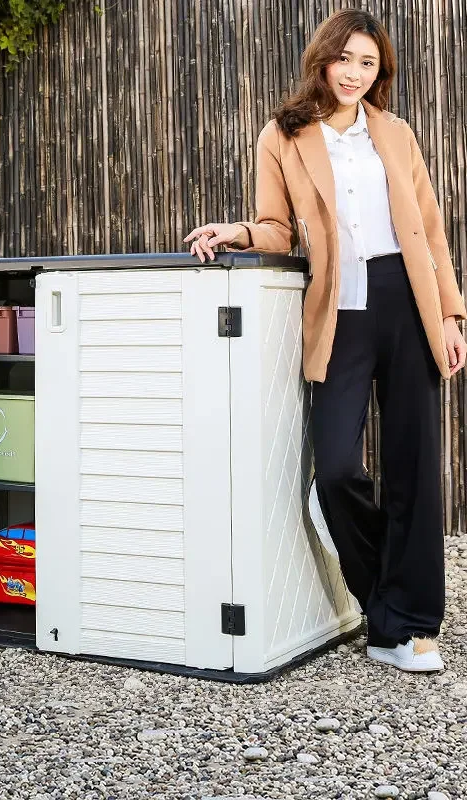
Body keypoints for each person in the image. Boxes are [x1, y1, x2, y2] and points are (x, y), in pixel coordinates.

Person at [184, 8, 467, 673]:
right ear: (324, 59)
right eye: (347, 60)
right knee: (337, 468)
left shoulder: (395, 133)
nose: (355, 74)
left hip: (408, 301)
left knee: (414, 471)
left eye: (369, 64)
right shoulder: (283, 136)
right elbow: (277, 228)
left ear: (380, 71)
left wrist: (452, 316)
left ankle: (411, 626)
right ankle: (385, 608)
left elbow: (431, 230)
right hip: (339, 308)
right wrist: (239, 233)